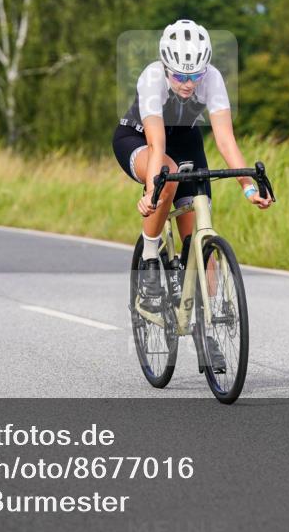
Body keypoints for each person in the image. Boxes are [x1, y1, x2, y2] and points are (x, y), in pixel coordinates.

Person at [112, 20, 273, 367]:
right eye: (180, 77)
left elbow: (226, 140)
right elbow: (156, 146)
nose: (188, 84)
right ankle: (152, 258)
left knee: (200, 240)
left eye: (194, 76)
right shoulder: (151, 79)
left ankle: (204, 331)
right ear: (166, 68)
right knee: (167, 177)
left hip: (187, 142)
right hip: (140, 140)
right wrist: (153, 194)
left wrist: (248, 187)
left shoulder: (212, 79)